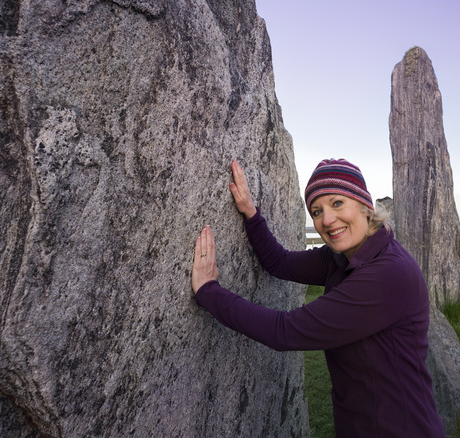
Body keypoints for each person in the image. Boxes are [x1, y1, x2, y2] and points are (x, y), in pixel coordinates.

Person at [191, 158, 446, 438]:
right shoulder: (342, 257)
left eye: (337, 203)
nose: (326, 220)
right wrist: (251, 215)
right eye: (316, 211)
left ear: (365, 206)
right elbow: (280, 263)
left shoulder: (389, 273)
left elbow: (284, 332)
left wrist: (208, 290)